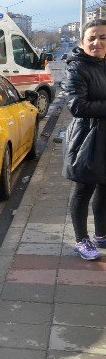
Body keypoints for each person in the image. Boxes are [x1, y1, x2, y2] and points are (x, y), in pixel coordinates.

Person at [63, 18, 106, 260]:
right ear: (82, 41)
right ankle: (81, 240)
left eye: (103, 37)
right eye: (92, 38)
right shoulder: (76, 67)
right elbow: (77, 105)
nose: (97, 42)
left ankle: (101, 234)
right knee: (83, 188)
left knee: (105, 187)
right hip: (87, 138)